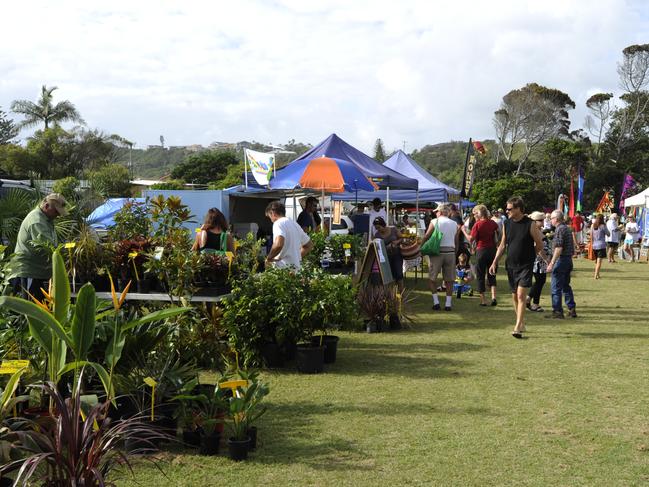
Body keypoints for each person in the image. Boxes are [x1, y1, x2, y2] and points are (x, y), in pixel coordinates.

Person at [489, 196, 547, 339]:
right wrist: (495, 261)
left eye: (509, 209)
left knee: (521, 295)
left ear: (518, 209)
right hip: (511, 264)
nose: (506, 211)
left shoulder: (530, 224)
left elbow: (539, 243)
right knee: (515, 296)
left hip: (526, 265)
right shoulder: (507, 223)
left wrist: (532, 254)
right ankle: (521, 322)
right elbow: (502, 245)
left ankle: (517, 328)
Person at [11, 193, 68, 301]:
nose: (58, 215)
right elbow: (48, 247)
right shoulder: (37, 221)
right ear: (46, 206)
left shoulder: (46, 219)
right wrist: (66, 253)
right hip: (30, 272)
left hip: (39, 273)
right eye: (56, 211)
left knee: (40, 312)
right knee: (29, 312)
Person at [422, 203, 461, 311]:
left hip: (437, 252)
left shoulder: (435, 221)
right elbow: (456, 241)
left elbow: (427, 236)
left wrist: (420, 247)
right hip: (451, 252)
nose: (436, 213)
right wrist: (455, 253)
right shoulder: (454, 223)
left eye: (437, 211)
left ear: (441, 212)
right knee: (450, 280)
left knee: (432, 278)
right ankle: (448, 304)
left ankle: (436, 302)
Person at [545, 210, 577, 319]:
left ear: (556, 219)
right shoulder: (567, 228)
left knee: (555, 288)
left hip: (561, 260)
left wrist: (552, 263)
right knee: (565, 286)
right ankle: (571, 309)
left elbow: (558, 248)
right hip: (568, 260)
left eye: (551, 218)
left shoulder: (559, 229)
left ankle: (557, 311)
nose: (550, 220)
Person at [264, 201, 313, 269]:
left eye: (270, 217)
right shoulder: (295, 224)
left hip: (282, 270)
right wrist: (296, 258)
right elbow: (309, 245)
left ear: (273, 213)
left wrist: (269, 258)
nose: (271, 220)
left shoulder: (278, 223)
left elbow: (278, 244)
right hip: (296, 269)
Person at [469, 204, 499, 307]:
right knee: (492, 274)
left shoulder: (477, 225)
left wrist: (463, 230)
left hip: (481, 250)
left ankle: (483, 301)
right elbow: (498, 233)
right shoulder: (493, 223)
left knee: (480, 275)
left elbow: (471, 239)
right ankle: (493, 297)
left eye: (475, 214)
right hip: (492, 250)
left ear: (478, 213)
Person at [526, 211, 551, 313]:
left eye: (543, 219)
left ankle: (534, 302)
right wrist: (546, 259)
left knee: (540, 281)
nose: (543, 222)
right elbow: (539, 248)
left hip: (539, 261)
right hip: (538, 261)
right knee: (540, 281)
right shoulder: (535, 232)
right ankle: (530, 299)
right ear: (534, 222)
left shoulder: (538, 231)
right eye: (540, 220)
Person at [373, 216, 404, 289]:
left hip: (397, 255)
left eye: (379, 227)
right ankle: (392, 294)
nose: (378, 230)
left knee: (399, 274)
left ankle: (402, 294)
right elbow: (376, 245)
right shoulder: (377, 235)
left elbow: (402, 238)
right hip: (386, 257)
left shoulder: (393, 229)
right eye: (376, 228)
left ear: (383, 225)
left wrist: (396, 242)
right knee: (390, 275)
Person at [590, 214, 609, 279]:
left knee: (596, 261)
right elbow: (608, 234)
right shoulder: (603, 226)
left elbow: (591, 235)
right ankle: (595, 275)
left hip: (594, 245)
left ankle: (597, 274)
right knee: (599, 262)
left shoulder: (592, 225)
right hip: (601, 245)